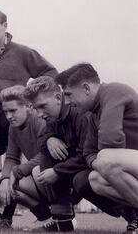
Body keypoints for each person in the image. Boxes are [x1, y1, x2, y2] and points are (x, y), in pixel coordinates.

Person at [0, 9, 57, 228]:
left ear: (5, 25)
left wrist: (30, 93)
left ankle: (7, 219)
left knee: (14, 162)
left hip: (18, 112)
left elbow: (51, 72)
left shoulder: (22, 52)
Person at [56, 63, 138, 233]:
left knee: (106, 160)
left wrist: (100, 158)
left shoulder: (113, 92)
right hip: (132, 165)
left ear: (86, 88)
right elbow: (88, 153)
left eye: (69, 95)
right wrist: (98, 160)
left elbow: (109, 142)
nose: (68, 102)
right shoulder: (93, 113)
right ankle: (135, 217)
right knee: (93, 179)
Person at [23, 76, 87, 232]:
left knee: (85, 179)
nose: (39, 114)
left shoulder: (80, 114)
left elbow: (87, 154)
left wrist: (58, 171)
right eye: (36, 108)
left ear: (58, 97)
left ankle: (133, 216)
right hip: (76, 170)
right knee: (46, 155)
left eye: (42, 106)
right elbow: (41, 140)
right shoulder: (54, 119)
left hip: (96, 168)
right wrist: (50, 139)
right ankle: (62, 220)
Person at [0, 85, 53, 230]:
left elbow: (45, 155)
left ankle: (61, 215)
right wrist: (6, 178)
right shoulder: (13, 127)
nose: (8, 116)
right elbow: (12, 157)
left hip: (53, 178)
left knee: (35, 170)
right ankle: (44, 215)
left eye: (13, 111)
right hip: (37, 178)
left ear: (28, 106)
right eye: (5, 112)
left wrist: (17, 171)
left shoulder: (40, 121)